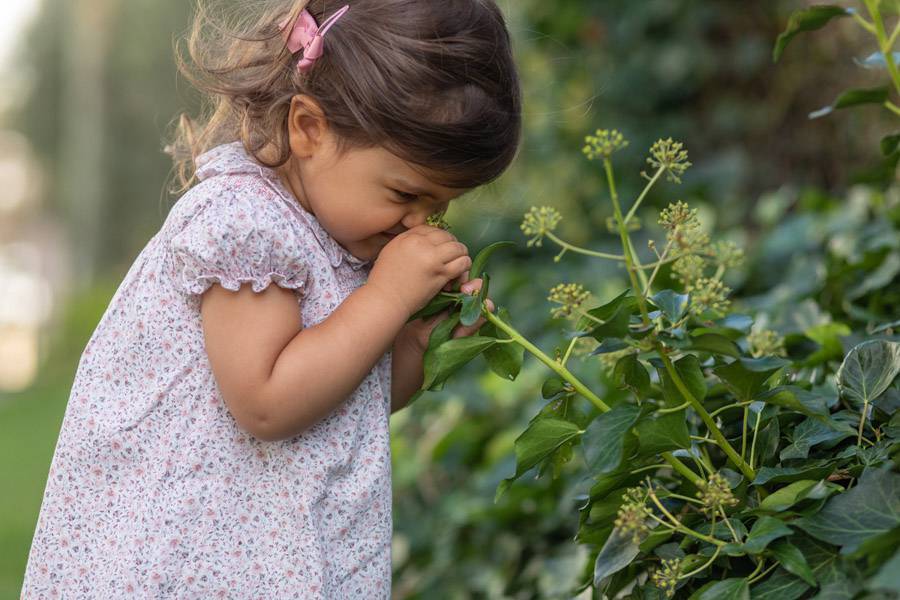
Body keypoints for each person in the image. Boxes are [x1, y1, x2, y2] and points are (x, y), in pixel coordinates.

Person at [20, 0, 521, 597]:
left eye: (438, 207)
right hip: (189, 562)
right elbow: (267, 403)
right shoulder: (248, 225)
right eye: (404, 193)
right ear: (309, 128)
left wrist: (417, 341)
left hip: (273, 558)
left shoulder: (342, 240)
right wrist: (387, 298)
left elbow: (342, 402)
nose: (419, 224)